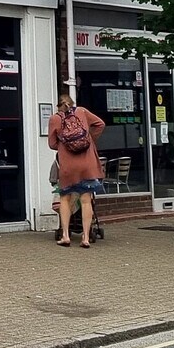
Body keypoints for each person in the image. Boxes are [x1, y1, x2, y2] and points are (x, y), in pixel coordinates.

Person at [48, 86, 108, 247]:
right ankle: (86, 238)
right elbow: (100, 124)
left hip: (68, 165)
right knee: (86, 200)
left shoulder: (55, 119)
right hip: (87, 165)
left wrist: (64, 146)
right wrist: (89, 140)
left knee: (65, 199)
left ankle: (66, 235)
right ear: (72, 103)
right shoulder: (82, 111)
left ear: (58, 105)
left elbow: (52, 144)